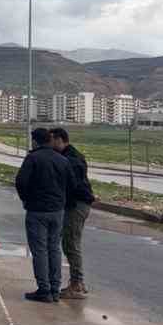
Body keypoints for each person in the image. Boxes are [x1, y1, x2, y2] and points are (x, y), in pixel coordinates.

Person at [15, 127, 74, 303]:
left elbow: (21, 182)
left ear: (35, 141)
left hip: (37, 211)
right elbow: (72, 184)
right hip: (57, 211)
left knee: (40, 250)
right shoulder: (63, 160)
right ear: (49, 140)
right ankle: (55, 289)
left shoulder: (33, 158)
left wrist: (27, 200)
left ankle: (44, 289)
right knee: (54, 249)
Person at [49, 126, 93, 299]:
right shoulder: (67, 156)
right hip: (74, 204)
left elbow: (71, 185)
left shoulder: (71, 159)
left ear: (59, 140)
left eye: (51, 140)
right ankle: (77, 282)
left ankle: (77, 284)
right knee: (69, 243)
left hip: (77, 205)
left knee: (71, 243)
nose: (49, 144)